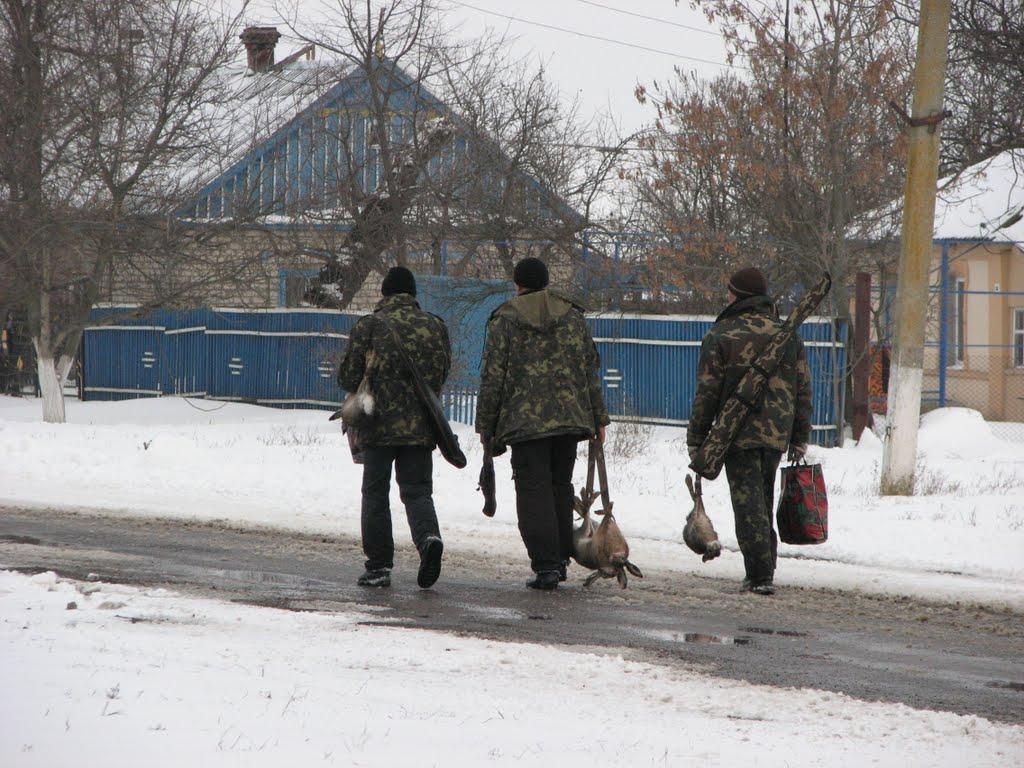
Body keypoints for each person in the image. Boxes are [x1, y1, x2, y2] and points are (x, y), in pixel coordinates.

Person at [476, 257, 610, 590]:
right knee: (559, 487)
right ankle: (560, 559)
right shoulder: (573, 317)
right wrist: (598, 417)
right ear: (547, 281)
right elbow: (589, 368)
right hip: (570, 419)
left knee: (533, 491)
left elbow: (493, 376)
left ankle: (547, 564)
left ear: (517, 283)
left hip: (525, 423)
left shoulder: (504, 318)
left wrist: (486, 426)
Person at [686, 267, 812, 596]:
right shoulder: (787, 334)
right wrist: (799, 436)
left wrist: (697, 438)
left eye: (729, 291)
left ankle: (759, 576)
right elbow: (803, 389)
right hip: (776, 435)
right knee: (763, 502)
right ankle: (763, 568)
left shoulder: (722, 334)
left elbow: (707, 393)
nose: (726, 296)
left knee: (748, 507)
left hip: (736, 434)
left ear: (738, 296)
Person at [337, 266, 451, 589]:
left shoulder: (370, 326)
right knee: (417, 491)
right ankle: (429, 538)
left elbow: (347, 378)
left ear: (384, 293)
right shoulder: (435, 326)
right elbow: (441, 373)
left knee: (375, 492)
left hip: (377, 425)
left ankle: (378, 566)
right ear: (414, 294)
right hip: (420, 427)